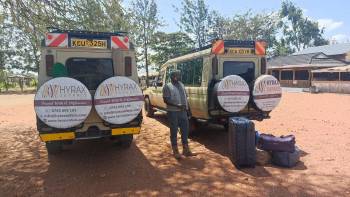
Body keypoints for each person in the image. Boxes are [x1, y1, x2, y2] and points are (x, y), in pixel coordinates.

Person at [163, 70, 196, 159]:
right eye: (178, 75)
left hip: (183, 112)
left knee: (185, 130)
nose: (180, 76)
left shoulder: (181, 84)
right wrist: (177, 105)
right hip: (173, 112)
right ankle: (175, 151)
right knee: (173, 131)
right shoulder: (167, 86)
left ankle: (186, 150)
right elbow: (166, 100)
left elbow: (186, 98)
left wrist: (189, 110)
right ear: (174, 77)